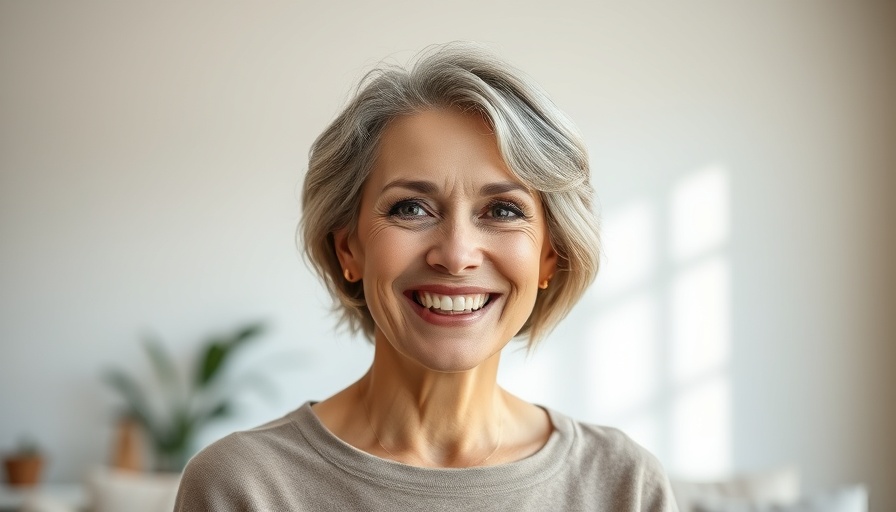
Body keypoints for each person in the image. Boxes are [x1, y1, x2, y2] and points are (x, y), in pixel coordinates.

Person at [175, 43, 678, 511]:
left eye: (503, 210)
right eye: (411, 208)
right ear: (348, 247)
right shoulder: (243, 487)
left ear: (550, 256)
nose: (457, 255)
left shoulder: (623, 485)